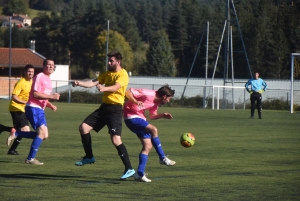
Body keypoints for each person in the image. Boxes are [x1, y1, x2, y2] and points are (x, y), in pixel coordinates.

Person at [72, 51, 135, 180]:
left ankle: (129, 168)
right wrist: (79, 83)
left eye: (111, 61)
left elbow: (116, 87)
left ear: (118, 61)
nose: (109, 63)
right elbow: (92, 82)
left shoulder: (122, 74)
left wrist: (104, 88)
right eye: (108, 60)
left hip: (115, 110)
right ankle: (89, 156)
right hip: (104, 108)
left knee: (116, 140)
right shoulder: (107, 74)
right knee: (83, 127)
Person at [6, 59, 60, 165]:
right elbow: (35, 94)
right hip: (33, 108)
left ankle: (17, 133)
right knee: (42, 133)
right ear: (43, 66)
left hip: (40, 109)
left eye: (52, 65)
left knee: (45, 135)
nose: (51, 66)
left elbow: (43, 97)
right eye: (48, 64)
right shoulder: (39, 77)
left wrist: (50, 105)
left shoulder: (49, 80)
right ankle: (30, 158)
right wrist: (52, 96)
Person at [123, 85, 176, 182]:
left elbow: (152, 116)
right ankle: (162, 157)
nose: (168, 101)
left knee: (147, 146)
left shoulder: (156, 103)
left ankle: (139, 174)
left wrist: (162, 115)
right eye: (169, 99)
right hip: (131, 116)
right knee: (154, 129)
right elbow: (128, 92)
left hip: (140, 117)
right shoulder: (148, 93)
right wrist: (135, 101)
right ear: (164, 96)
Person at [0, 65, 35, 155]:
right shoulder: (21, 82)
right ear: (25, 72)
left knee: (21, 130)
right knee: (25, 131)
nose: (30, 73)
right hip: (16, 108)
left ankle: (12, 149)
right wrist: (24, 102)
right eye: (29, 71)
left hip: (22, 108)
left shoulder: (31, 82)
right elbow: (14, 97)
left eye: (32, 71)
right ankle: (10, 132)